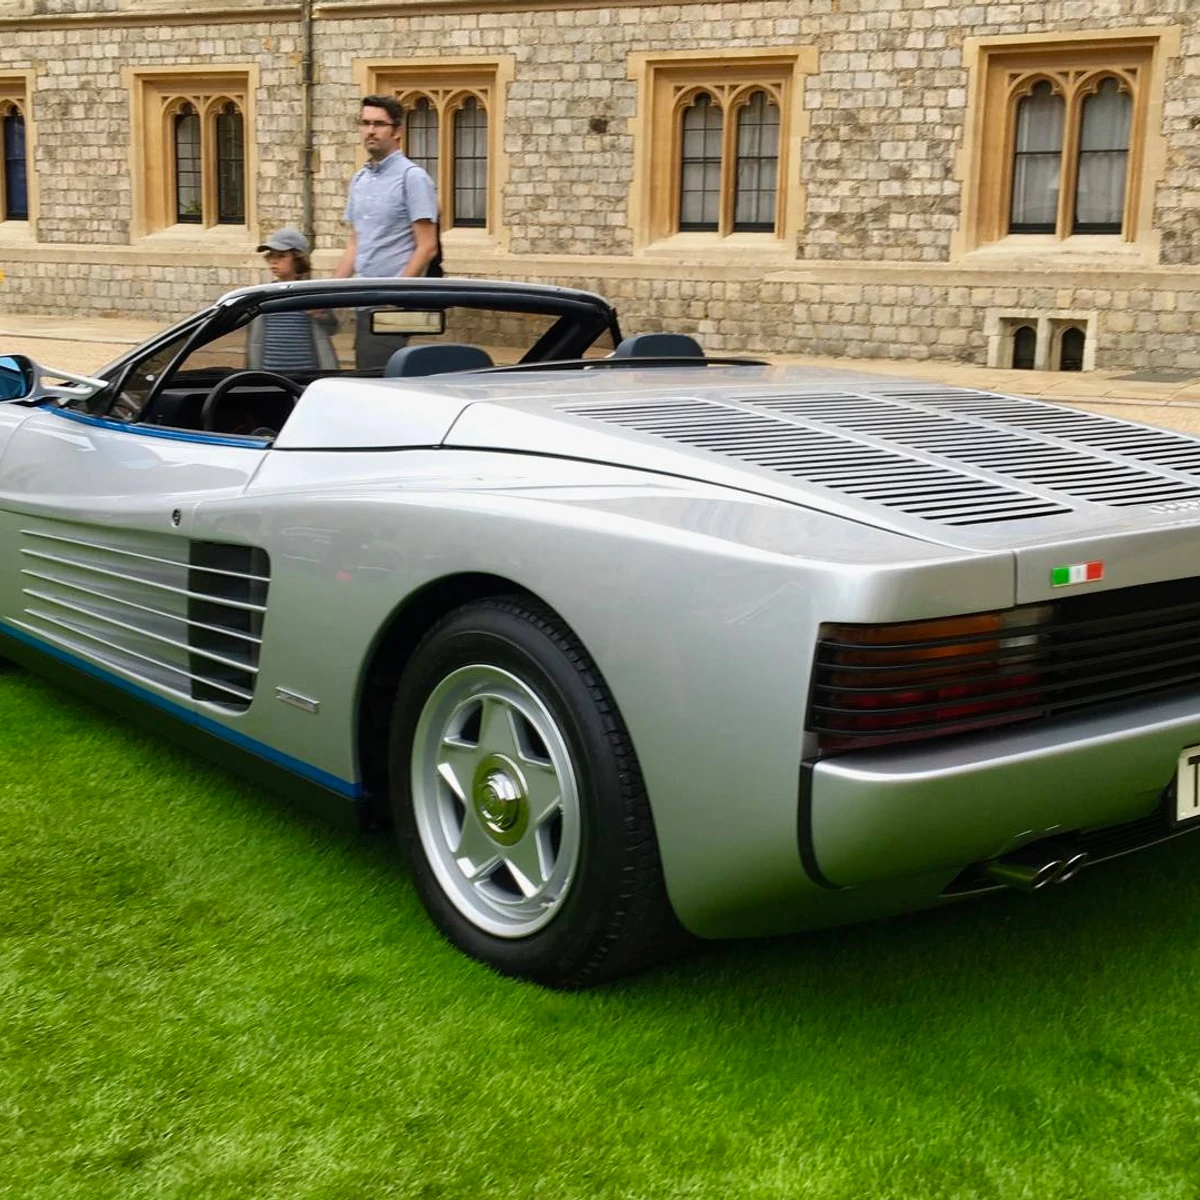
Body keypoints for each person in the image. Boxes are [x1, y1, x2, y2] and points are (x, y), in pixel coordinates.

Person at [335, 94, 439, 368]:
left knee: (379, 377)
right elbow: (355, 243)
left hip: (393, 307)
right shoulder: (360, 179)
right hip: (364, 302)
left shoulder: (412, 178)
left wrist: (394, 298)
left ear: (397, 131)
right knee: (366, 373)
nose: (370, 130)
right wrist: (327, 293)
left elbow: (427, 246)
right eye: (365, 123)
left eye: (379, 124)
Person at [247, 226, 338, 372]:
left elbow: (333, 328)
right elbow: (254, 339)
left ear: (298, 259)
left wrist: (322, 315)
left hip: (307, 373)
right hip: (270, 373)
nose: (273, 261)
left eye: (281, 256)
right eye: (271, 256)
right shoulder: (265, 295)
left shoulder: (312, 293)